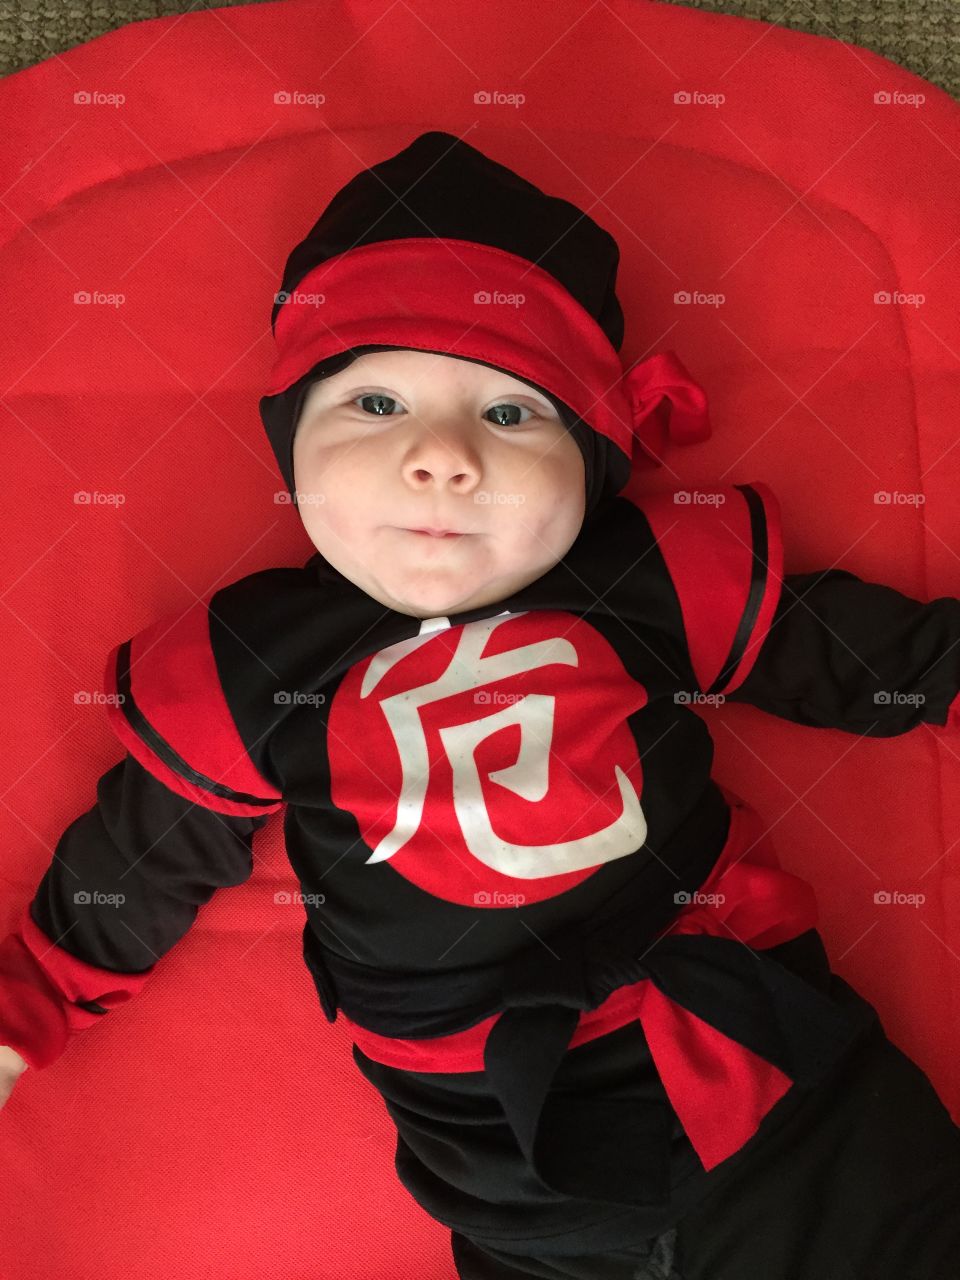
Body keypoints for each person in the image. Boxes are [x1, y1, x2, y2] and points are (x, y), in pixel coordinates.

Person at [2, 130, 960, 1279]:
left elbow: (853, 651)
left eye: (512, 415)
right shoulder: (252, 661)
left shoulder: (636, 578)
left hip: (767, 1077)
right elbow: (139, 857)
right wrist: (29, 1004)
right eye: (375, 402)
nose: (442, 455)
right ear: (290, 444)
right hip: (509, 1167)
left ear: (598, 460)